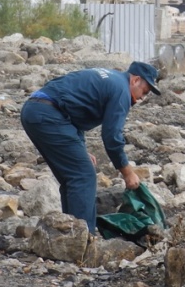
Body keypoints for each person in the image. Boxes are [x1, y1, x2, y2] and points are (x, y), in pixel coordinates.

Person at [20, 62, 161, 232]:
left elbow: (73, 109)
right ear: (136, 80)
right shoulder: (122, 91)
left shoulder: (111, 78)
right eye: (144, 91)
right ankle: (85, 238)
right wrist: (128, 173)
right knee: (83, 175)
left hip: (35, 110)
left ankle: (69, 233)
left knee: (72, 176)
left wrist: (80, 148)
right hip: (48, 115)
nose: (142, 98)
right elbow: (112, 137)